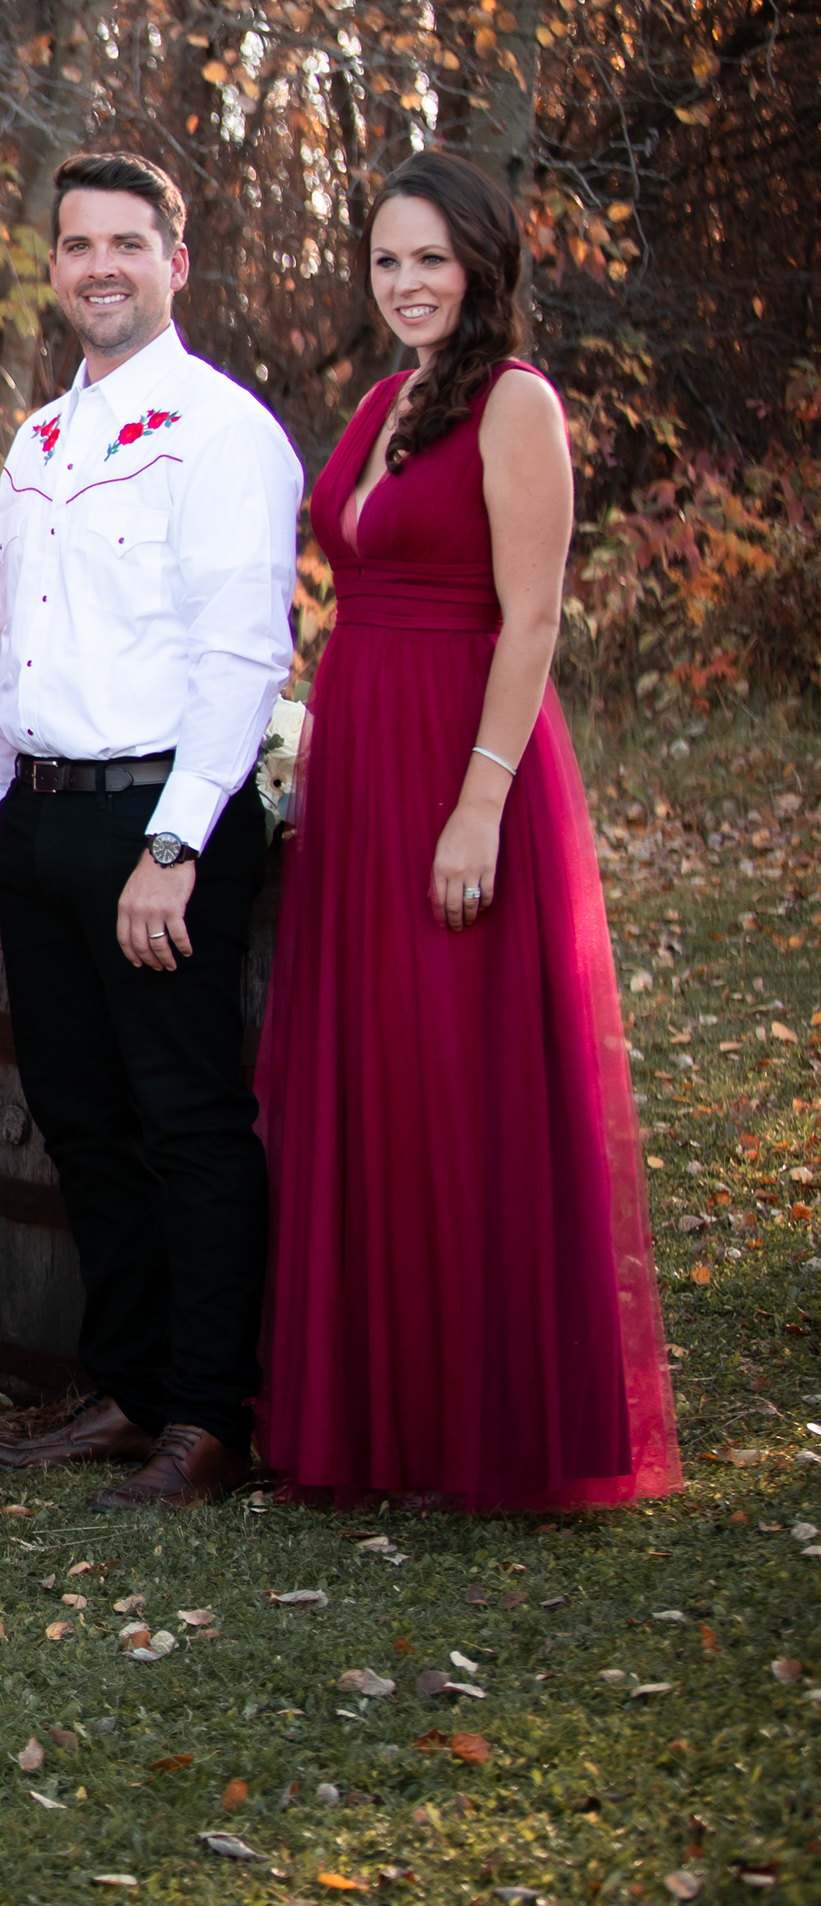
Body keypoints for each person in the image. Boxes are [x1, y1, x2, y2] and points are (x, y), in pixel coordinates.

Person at [255, 152, 679, 1513]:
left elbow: (535, 618)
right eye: (387, 260)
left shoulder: (515, 404)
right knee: (372, 1064)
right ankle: (387, 1411)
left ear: (484, 264)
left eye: (431, 259)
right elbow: (354, 584)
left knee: (459, 1071)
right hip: (363, 757)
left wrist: (478, 807)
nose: (408, 283)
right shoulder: (384, 400)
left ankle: (489, 1419)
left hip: (462, 758)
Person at [0, 152, 304, 1510]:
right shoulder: (41, 439)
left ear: (177, 263)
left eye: (127, 243)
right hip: (41, 824)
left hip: (161, 823)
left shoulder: (222, 434)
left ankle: (209, 1417)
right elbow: (6, 646)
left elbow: (242, 657)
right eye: (77, 243)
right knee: (84, 1125)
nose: (100, 264)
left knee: (187, 1122)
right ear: (54, 266)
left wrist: (175, 849)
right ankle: (131, 1385)